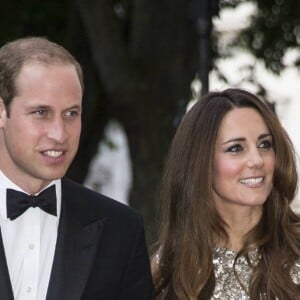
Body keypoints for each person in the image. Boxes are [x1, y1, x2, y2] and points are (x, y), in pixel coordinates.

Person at [0, 36, 154, 300]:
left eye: (71, 113)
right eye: (41, 113)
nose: (60, 134)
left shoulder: (120, 231)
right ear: (2, 112)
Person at [152, 88, 300, 299]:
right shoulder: (168, 267)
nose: (257, 160)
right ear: (200, 162)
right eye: (236, 148)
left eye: (264, 144)